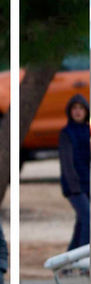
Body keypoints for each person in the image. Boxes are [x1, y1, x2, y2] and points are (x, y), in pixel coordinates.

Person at [58, 94, 89, 250]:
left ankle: (68, 262)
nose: (77, 112)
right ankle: (83, 259)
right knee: (88, 219)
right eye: (74, 108)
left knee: (81, 225)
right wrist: (75, 187)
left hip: (87, 186)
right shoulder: (66, 133)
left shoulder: (87, 131)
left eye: (81, 108)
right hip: (74, 187)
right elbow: (67, 164)